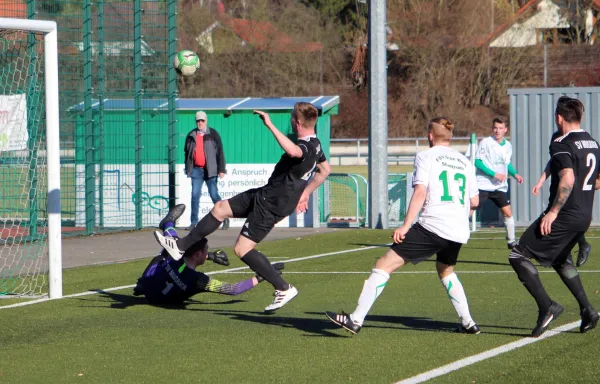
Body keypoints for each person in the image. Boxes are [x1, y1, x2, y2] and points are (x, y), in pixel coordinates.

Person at [155, 102, 331, 312]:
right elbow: (325, 170)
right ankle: (180, 247)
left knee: (242, 248)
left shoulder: (306, 146)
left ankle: (283, 288)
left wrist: (269, 124)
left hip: (273, 204)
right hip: (266, 194)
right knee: (220, 208)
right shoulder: (317, 143)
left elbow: (294, 152)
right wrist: (306, 193)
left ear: (298, 122)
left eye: (292, 118)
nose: (291, 122)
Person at [326, 117, 481, 335]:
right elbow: (474, 202)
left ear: (429, 136)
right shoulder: (465, 162)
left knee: (383, 265)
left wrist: (406, 225)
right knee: (446, 271)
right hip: (458, 230)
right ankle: (468, 323)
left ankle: (355, 319)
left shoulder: (425, 156)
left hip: (433, 225)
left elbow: (420, 192)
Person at [508, 96, 599, 337]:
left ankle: (547, 307)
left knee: (517, 254)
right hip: (584, 215)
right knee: (560, 260)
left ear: (559, 118)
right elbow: (596, 181)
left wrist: (553, 212)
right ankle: (588, 310)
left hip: (565, 214)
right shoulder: (592, 143)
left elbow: (568, 178)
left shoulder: (561, 141)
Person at [133, 204, 284, 305]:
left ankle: (167, 223)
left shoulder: (175, 253)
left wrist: (211, 255)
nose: (207, 252)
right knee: (168, 246)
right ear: (198, 254)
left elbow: (174, 243)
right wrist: (263, 275)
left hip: (149, 292)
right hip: (163, 303)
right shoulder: (198, 280)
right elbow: (233, 289)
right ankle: (168, 223)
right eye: (206, 250)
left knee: (166, 249)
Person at [531, 130, 592, 267]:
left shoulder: (570, 152)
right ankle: (575, 250)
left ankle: (573, 251)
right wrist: (540, 183)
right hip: (556, 191)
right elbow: (550, 164)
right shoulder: (557, 152)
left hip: (568, 193)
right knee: (560, 222)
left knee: (559, 220)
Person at [473, 117, 524, 249]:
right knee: (471, 208)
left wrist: (515, 174)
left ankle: (511, 242)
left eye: (500, 128)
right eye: (495, 128)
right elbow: (477, 162)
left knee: (507, 213)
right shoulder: (486, 142)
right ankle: (454, 235)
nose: (497, 130)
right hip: (483, 185)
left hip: (499, 187)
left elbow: (507, 163)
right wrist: (494, 174)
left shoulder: (508, 145)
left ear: (505, 130)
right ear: (492, 129)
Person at [184, 111, 229, 231]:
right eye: (198, 121)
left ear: (206, 121)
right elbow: (187, 153)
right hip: (196, 170)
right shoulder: (191, 135)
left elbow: (220, 152)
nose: (200, 123)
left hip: (211, 170)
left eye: (202, 120)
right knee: (195, 195)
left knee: (214, 194)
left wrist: (221, 169)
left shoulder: (213, 134)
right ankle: (193, 223)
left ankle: (225, 218)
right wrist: (188, 168)